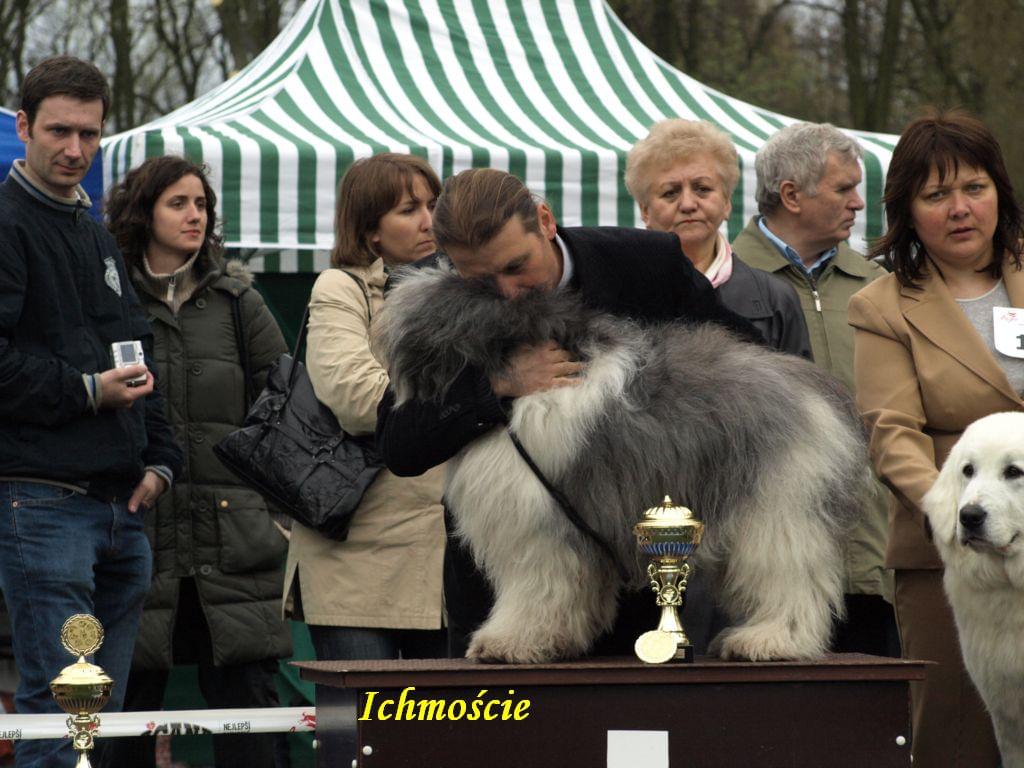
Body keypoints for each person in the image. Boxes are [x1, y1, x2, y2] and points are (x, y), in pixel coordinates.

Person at [376, 167, 762, 657]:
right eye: (481, 281)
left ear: (545, 220)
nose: (507, 291)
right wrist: (496, 388)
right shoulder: (435, 301)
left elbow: (745, 358)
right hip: (502, 598)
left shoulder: (645, 262)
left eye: (517, 266)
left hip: (638, 598)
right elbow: (399, 445)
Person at [0, 57, 182, 768]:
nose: (76, 149)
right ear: (23, 127)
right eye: (59, 131)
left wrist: (161, 460)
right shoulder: (6, 224)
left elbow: (137, 357)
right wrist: (87, 391)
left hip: (120, 508)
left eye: (90, 133)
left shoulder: (96, 232)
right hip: (42, 503)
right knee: (61, 721)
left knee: (98, 727)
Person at [98, 156, 291, 767]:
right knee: (122, 724)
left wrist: (273, 511)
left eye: (201, 204)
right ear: (143, 212)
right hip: (139, 535)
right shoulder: (106, 301)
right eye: (178, 203)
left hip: (234, 541)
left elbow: (285, 407)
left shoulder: (239, 301)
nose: (194, 216)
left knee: (250, 724)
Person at [848, 110, 1021, 768]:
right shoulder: (882, 306)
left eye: (974, 187)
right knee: (958, 739)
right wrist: (952, 516)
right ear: (907, 211)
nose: (960, 209)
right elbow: (892, 433)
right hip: (949, 555)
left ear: (999, 190)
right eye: (936, 194)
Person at [731, 122, 897, 657]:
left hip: (872, 561)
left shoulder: (880, 287)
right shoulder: (724, 284)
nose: (858, 203)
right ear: (791, 195)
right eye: (844, 188)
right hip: (760, 569)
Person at [283, 153, 447, 661]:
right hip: (354, 556)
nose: (428, 221)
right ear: (370, 230)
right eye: (408, 210)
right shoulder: (340, 286)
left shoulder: (460, 289)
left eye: (433, 205)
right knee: (362, 714)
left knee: (450, 712)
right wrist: (464, 401)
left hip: (443, 560)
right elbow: (357, 399)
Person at [625, 118, 811, 358]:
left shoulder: (776, 299)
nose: (688, 204)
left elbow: (801, 382)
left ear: (726, 203)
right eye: (670, 193)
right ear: (645, 211)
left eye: (702, 188)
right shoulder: (614, 297)